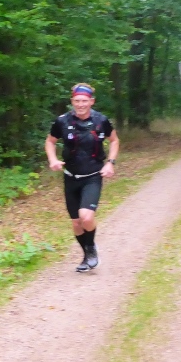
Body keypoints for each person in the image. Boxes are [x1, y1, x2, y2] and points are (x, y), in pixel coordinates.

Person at [45, 83, 120, 272]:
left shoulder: (101, 121)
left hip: (92, 176)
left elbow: (114, 140)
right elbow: (50, 141)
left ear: (91, 101)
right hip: (70, 177)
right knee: (76, 222)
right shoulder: (62, 121)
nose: (80, 104)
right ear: (72, 101)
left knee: (85, 217)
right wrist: (52, 159)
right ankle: (87, 254)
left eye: (84, 101)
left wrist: (110, 162)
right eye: (77, 101)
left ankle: (91, 248)